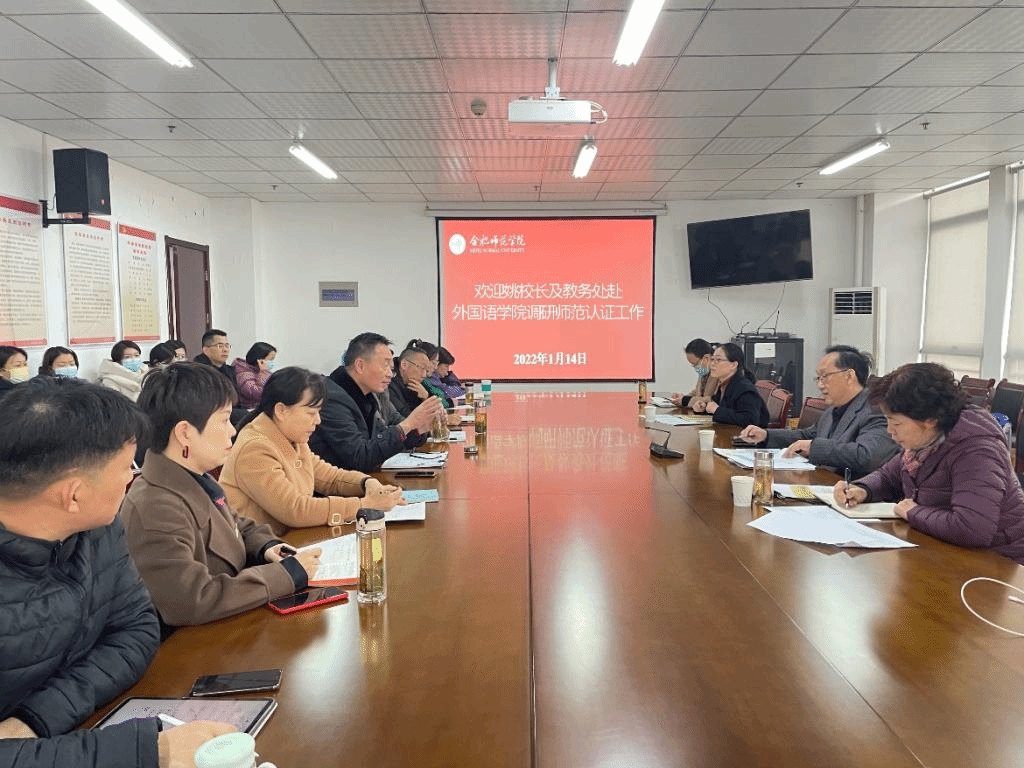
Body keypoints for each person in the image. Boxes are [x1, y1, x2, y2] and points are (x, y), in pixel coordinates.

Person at [0, 378, 235, 767]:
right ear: (73, 494)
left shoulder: (99, 528)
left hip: (74, 730)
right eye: (127, 466)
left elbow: (137, 628)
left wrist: (39, 716)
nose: (132, 477)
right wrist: (149, 752)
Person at [120, 362, 321, 633]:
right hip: (197, 645)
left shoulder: (194, 476)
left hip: (231, 627)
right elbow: (193, 599)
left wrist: (268, 547)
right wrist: (287, 575)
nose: (232, 430)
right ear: (184, 433)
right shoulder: (155, 506)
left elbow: (237, 525)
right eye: (224, 420)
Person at [837, 362, 1024, 563]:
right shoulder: (925, 442)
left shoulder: (977, 450)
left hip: (999, 562)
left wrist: (913, 512)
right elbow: (889, 476)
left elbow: (973, 528)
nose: (890, 431)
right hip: (945, 549)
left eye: (896, 423)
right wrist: (862, 489)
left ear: (931, 419)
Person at [221, 367, 403, 536]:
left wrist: (367, 483)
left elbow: (330, 478)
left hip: (289, 539)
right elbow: (295, 510)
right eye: (311, 413)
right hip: (260, 551)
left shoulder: (291, 437)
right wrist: (365, 505)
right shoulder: (255, 448)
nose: (317, 421)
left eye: (319, 412)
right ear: (281, 410)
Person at [737, 345, 898, 478]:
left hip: (853, 493)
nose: (820, 385)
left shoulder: (875, 409)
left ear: (849, 376)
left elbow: (868, 455)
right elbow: (808, 436)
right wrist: (766, 435)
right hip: (824, 484)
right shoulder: (834, 408)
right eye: (818, 378)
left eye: (825, 377)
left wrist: (814, 447)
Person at [309, 332, 445, 473]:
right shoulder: (332, 398)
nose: (390, 374)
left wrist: (420, 428)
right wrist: (408, 424)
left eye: (391, 368)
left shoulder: (370, 394)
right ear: (360, 366)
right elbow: (359, 457)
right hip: (340, 483)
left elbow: (381, 440)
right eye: (385, 366)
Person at [692, 342, 769, 428]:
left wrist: (717, 410)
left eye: (718, 360)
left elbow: (750, 420)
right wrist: (703, 408)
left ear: (733, 365)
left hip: (747, 435)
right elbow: (721, 409)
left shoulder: (744, 388)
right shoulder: (725, 384)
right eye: (712, 359)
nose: (712, 364)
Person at [193, 329, 246, 425]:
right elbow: (209, 406)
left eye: (227, 346)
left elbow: (237, 401)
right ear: (206, 350)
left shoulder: (229, 370)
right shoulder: (198, 371)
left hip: (231, 415)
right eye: (220, 346)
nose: (225, 350)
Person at [670, 338, 719, 409]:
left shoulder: (720, 373)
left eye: (695, 364)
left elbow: (714, 399)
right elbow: (698, 392)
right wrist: (683, 398)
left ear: (706, 358)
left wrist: (686, 401)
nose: (695, 367)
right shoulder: (704, 370)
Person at [388, 344, 435, 417]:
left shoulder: (419, 385)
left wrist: (426, 398)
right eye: (422, 368)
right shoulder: (389, 385)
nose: (424, 375)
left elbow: (439, 409)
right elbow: (406, 417)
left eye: (426, 370)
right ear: (404, 365)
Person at [233, 342, 276, 410]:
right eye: (270, 360)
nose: (272, 363)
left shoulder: (259, 371)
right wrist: (264, 372)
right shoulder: (243, 374)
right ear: (260, 360)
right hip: (248, 410)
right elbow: (256, 394)